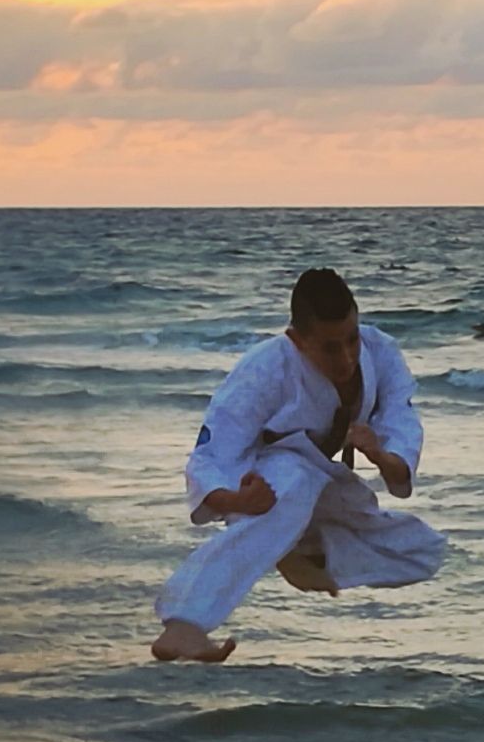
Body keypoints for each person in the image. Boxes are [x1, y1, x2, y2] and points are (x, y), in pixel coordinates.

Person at [150, 268, 446, 663]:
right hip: (264, 485)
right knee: (293, 476)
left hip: (324, 485)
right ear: (297, 340)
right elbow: (210, 455)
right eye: (330, 348)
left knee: (422, 549)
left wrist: (380, 455)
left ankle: (301, 552)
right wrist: (237, 500)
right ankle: (185, 623)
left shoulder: (381, 352)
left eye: (352, 339)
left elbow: (401, 434)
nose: (346, 358)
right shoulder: (265, 368)